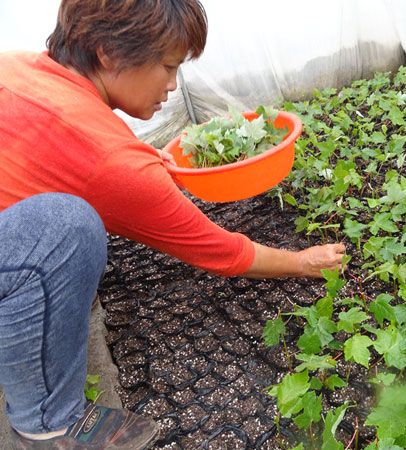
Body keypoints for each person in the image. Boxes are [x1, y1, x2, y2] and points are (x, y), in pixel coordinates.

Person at [0, 0, 345, 448]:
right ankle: (48, 423)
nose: (172, 85)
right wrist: (301, 262)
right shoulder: (113, 164)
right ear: (107, 51)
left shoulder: (19, 67)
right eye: (167, 66)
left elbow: (79, 139)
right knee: (66, 230)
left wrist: (133, 159)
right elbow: (219, 250)